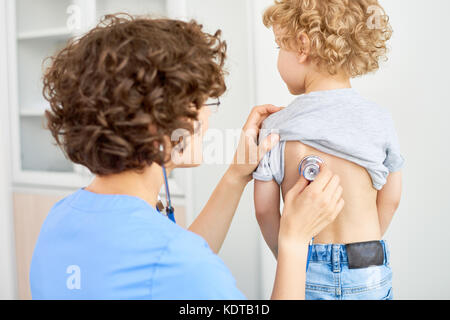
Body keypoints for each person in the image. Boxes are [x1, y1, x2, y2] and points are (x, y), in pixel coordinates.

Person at [29, 14, 344, 300]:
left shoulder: (59, 220)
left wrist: (235, 175)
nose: (208, 116)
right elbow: (177, 265)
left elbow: (167, 270)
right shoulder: (178, 262)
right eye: (202, 102)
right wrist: (294, 240)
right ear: (158, 122)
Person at [253, 0, 404, 300]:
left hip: (307, 268)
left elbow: (264, 209)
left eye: (278, 47)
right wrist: (365, 247)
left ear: (302, 46)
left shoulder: (274, 126)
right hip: (368, 265)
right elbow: (392, 197)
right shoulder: (379, 119)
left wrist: (290, 259)